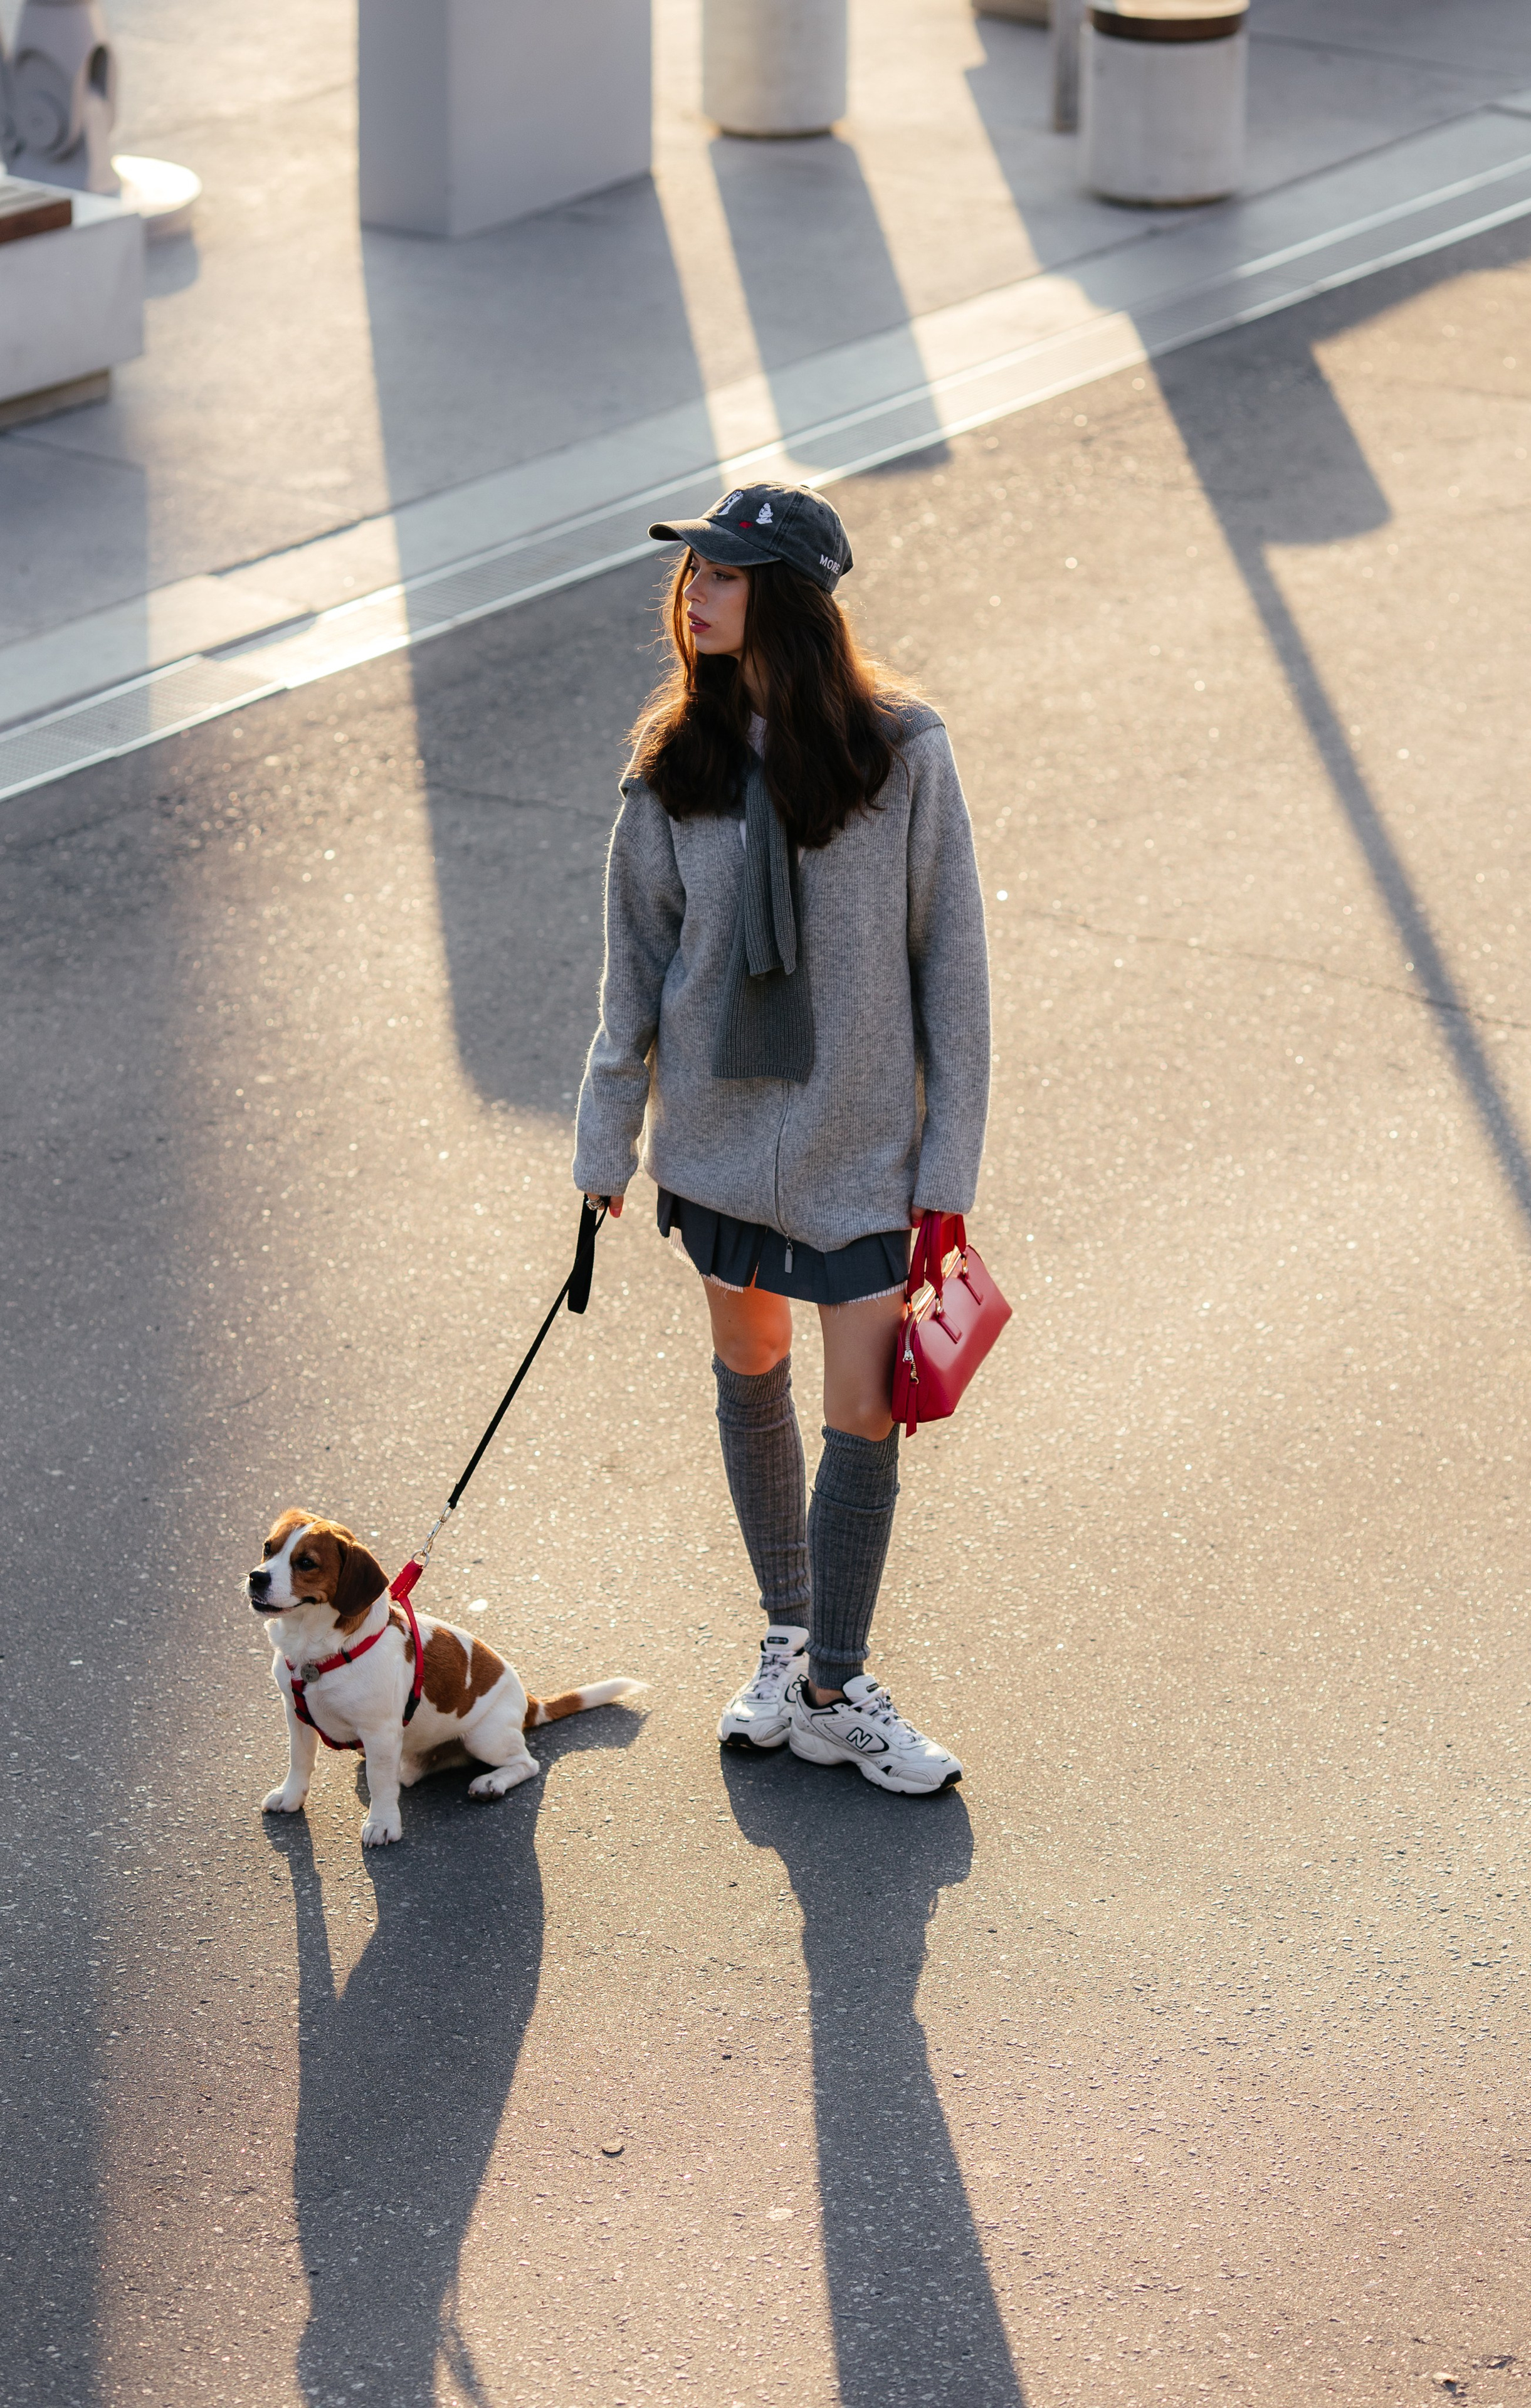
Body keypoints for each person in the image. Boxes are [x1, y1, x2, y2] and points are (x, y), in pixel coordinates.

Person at [572, 482, 990, 1795]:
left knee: (862, 1413)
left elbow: (953, 976)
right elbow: (632, 973)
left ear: (791, 603)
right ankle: (789, 1633)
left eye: (725, 574)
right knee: (747, 1377)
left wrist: (946, 1172)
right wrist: (603, 1149)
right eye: (691, 570)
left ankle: (831, 1685)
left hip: (857, 1152)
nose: (694, 592)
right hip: (713, 1142)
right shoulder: (672, 764)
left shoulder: (901, 754)